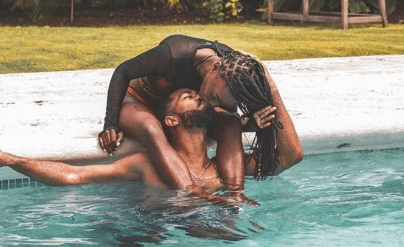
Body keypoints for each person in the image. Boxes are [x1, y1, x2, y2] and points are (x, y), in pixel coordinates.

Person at [0, 87, 301, 205]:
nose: (198, 96)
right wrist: (6, 158)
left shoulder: (229, 166)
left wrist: (270, 87)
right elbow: (73, 177)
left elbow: (290, 156)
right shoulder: (145, 164)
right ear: (170, 120)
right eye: (187, 96)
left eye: (196, 95)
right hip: (155, 233)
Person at [98, 35, 303, 196]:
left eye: (219, 102)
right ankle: (193, 193)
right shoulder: (175, 53)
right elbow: (123, 71)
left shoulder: (236, 73)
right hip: (138, 102)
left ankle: (234, 194)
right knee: (151, 128)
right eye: (214, 96)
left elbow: (291, 155)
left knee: (231, 122)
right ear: (215, 67)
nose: (212, 105)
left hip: (181, 112)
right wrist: (110, 125)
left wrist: (269, 88)